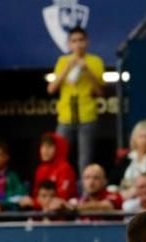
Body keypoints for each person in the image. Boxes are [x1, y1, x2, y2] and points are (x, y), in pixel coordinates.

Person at [46, 27, 105, 172]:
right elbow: (51, 89)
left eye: (81, 40)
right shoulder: (62, 61)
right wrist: (67, 67)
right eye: (74, 41)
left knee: (85, 161)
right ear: (69, 44)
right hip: (65, 117)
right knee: (59, 157)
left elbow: (100, 92)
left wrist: (87, 70)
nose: (78, 44)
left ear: (87, 42)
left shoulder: (95, 61)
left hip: (87, 117)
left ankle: (85, 193)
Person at [111, 120, 146, 200]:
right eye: (141, 137)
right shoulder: (126, 158)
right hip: (122, 197)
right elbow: (113, 181)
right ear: (134, 139)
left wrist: (134, 191)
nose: (144, 141)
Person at [29, 133, 77, 202]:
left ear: (59, 148)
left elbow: (62, 197)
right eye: (43, 146)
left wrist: (35, 203)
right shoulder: (40, 169)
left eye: (49, 147)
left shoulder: (65, 168)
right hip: (41, 210)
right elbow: (36, 194)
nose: (44, 150)